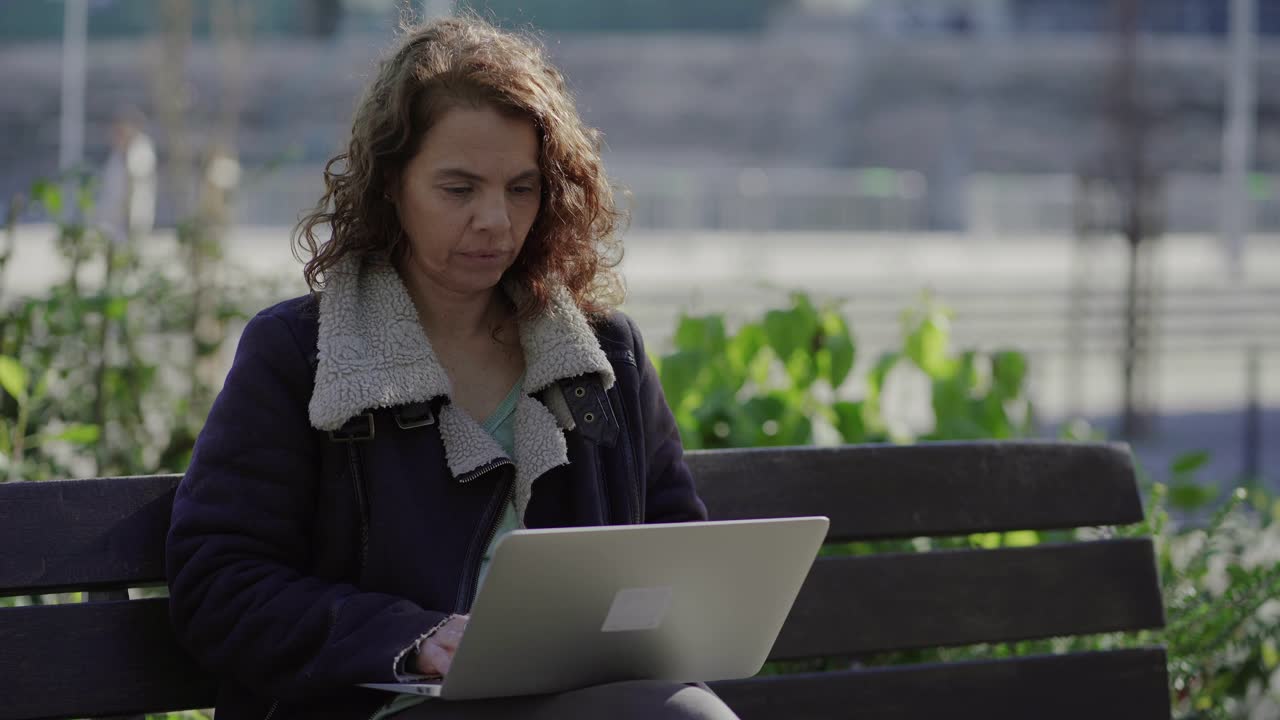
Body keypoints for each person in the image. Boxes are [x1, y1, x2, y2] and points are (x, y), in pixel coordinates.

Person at [165, 14, 741, 720]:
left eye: (521, 188)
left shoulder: (606, 355)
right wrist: (414, 641)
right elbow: (219, 584)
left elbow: (675, 562)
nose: (495, 220)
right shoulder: (297, 353)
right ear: (391, 185)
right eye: (459, 189)